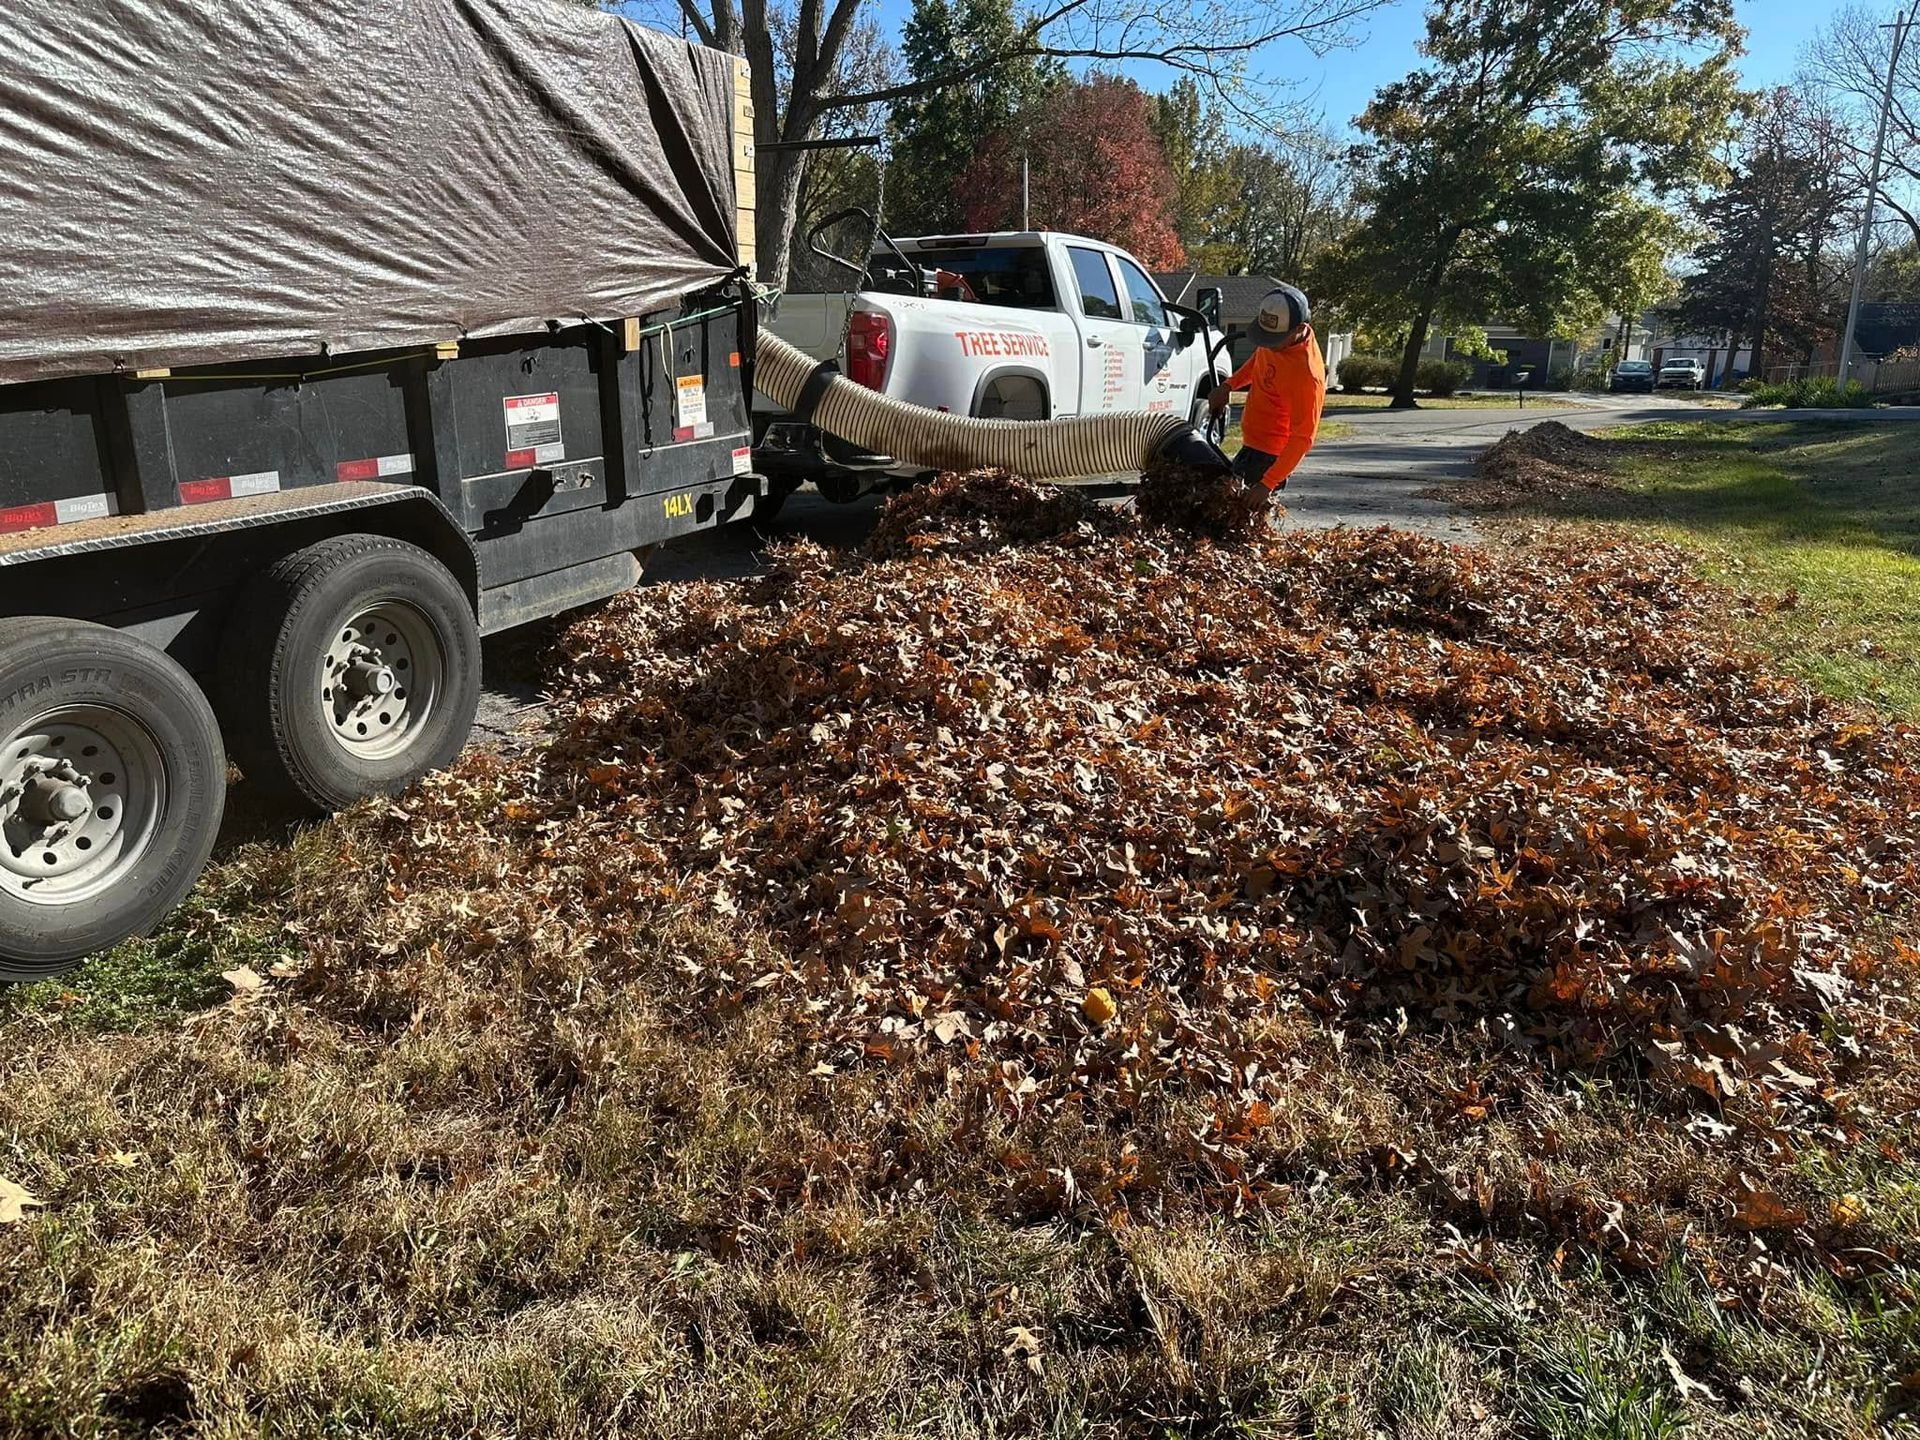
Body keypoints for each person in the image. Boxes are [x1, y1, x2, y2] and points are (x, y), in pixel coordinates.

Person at [1206, 283, 1326, 500]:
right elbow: (1259, 362)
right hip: (1251, 445)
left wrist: (1267, 483)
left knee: (1236, 522)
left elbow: (1303, 437)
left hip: (1269, 458)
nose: (1268, 345)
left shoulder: (1307, 375)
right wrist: (1228, 385)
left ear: (1299, 329)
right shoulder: (1276, 340)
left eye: (1273, 340)